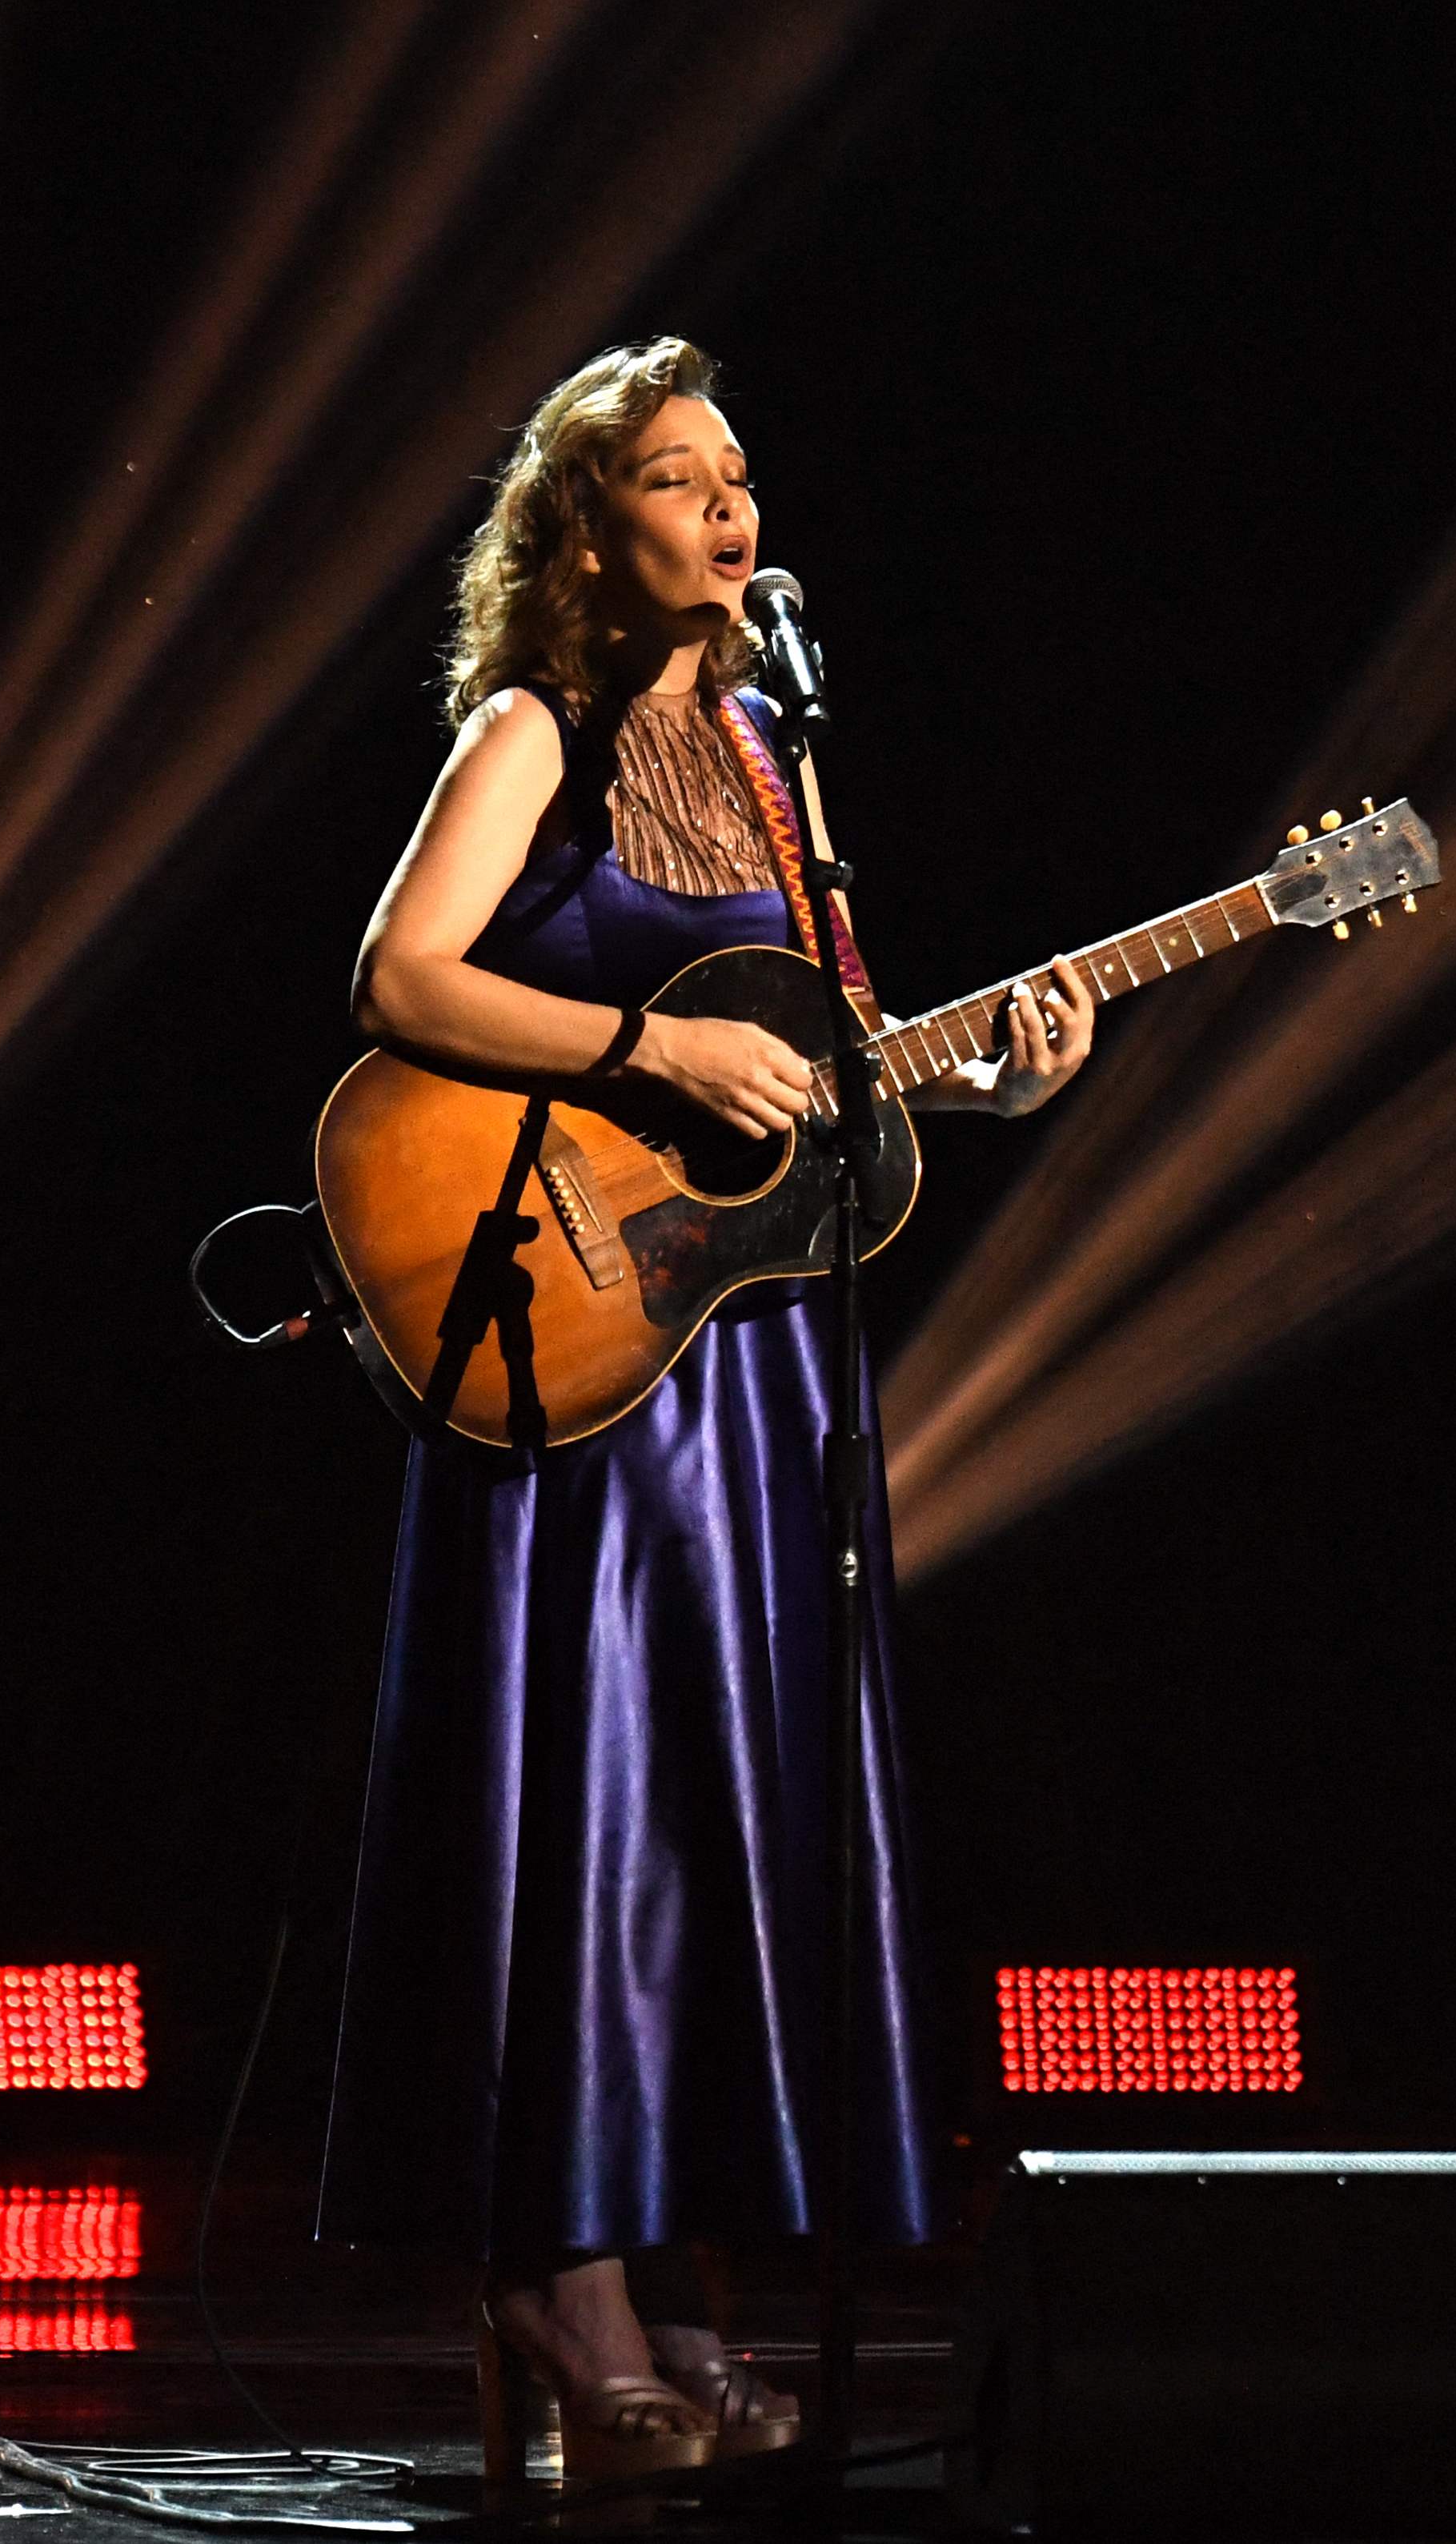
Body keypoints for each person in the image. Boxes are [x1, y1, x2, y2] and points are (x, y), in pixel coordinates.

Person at [316, 338, 1098, 2494]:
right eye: (677, 476)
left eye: (739, 468)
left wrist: (1006, 1064)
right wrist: (645, 1053)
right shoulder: (531, 731)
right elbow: (403, 979)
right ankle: (549, 2285)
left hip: (738, 1371)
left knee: (723, 1814)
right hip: (569, 1352)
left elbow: (831, 1063)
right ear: (591, 529)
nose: (728, 507)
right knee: (588, 1803)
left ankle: (679, 2288)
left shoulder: (773, 758)